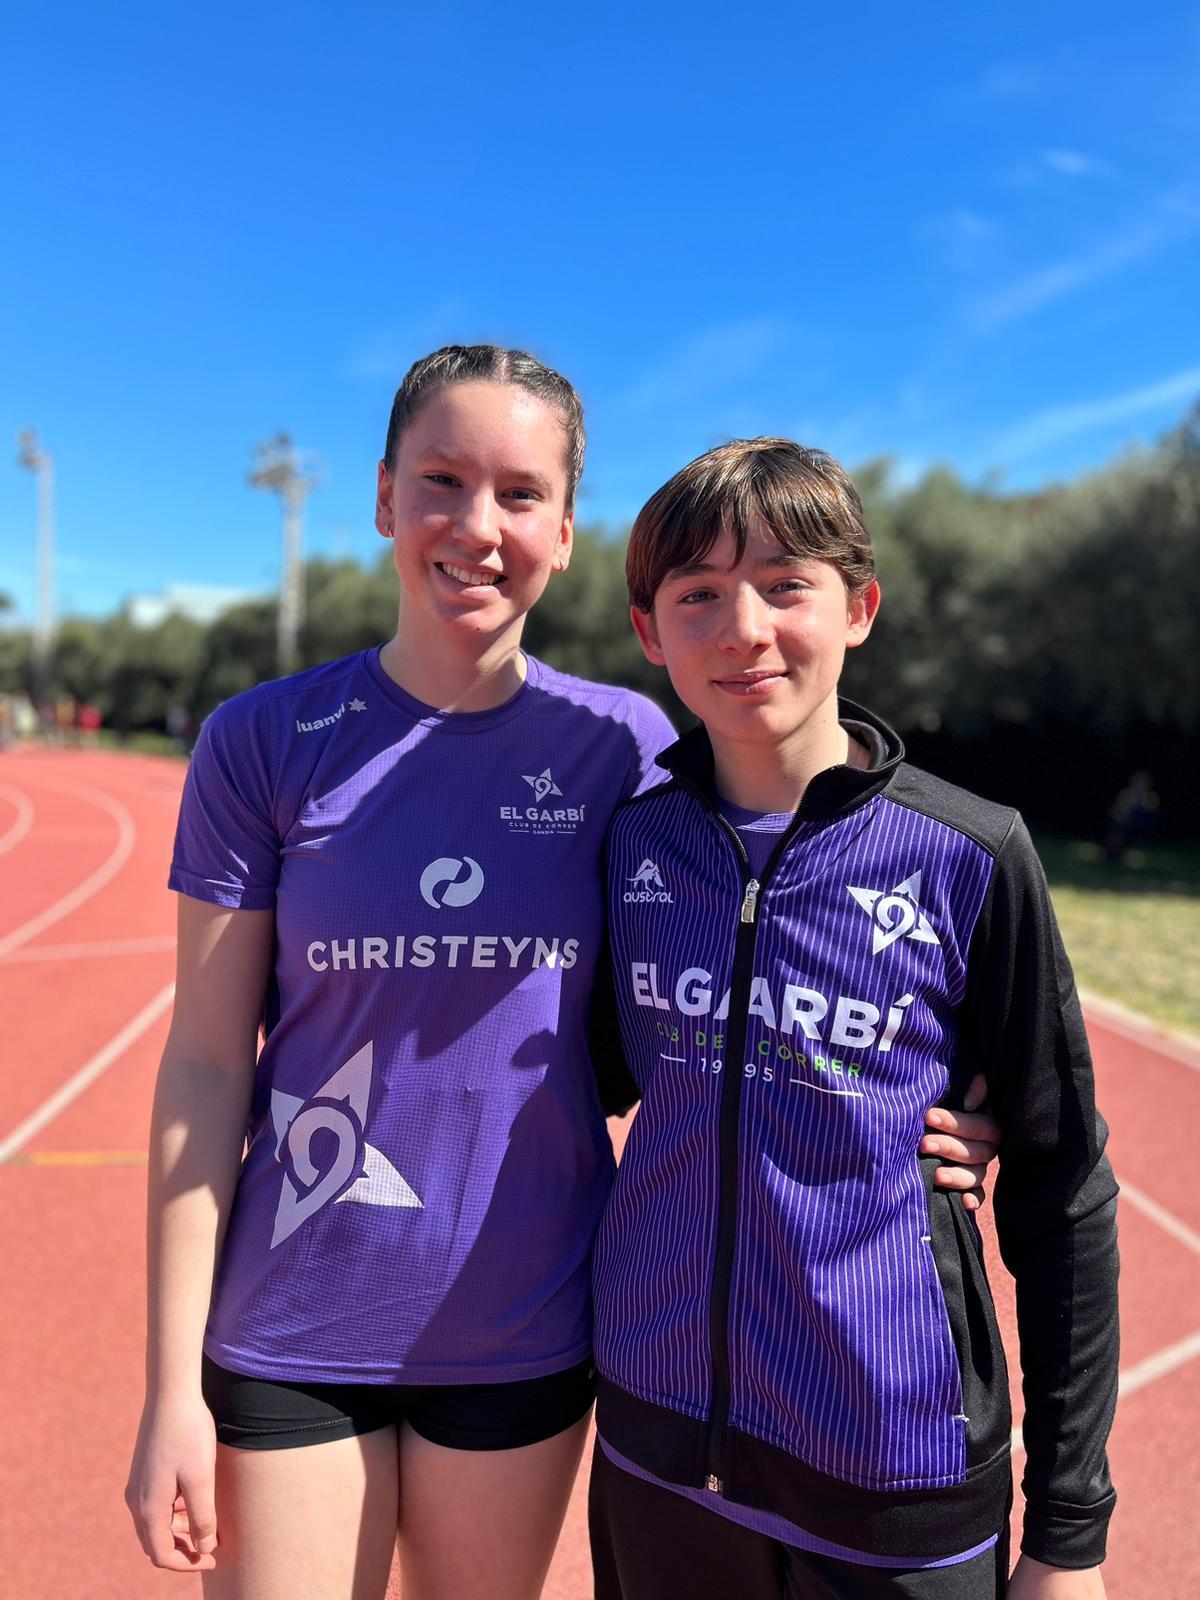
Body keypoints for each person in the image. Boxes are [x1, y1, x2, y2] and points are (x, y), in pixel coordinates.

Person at [125, 350, 1000, 1600]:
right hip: (292, 1321)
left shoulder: (632, 748)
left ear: (567, 531)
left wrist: (955, 1100)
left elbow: (800, 915)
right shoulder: (261, 741)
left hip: (530, 1324)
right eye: (442, 480)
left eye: (521, 494)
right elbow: (206, 1063)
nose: (478, 527)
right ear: (382, 498)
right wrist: (168, 1388)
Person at [587, 439, 1118, 1599]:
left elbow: (1063, 1189)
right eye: (699, 595)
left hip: (893, 1472)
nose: (744, 628)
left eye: (786, 584)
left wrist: (1071, 1533)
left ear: (860, 606)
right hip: (655, 1445)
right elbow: (581, 1083)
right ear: (648, 630)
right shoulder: (634, 845)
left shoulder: (971, 855)